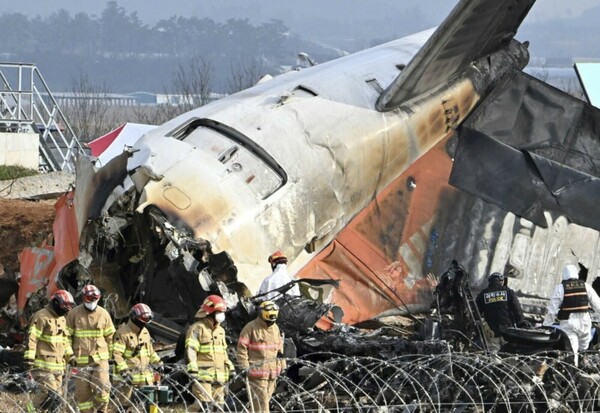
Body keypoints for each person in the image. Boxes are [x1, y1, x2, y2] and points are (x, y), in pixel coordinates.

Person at [66, 284, 115, 413]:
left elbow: (111, 337)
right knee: (83, 393)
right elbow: (66, 338)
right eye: (89, 299)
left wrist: (113, 355)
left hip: (100, 359)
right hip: (79, 361)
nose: (92, 302)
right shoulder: (74, 314)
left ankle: (101, 410)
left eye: (95, 299)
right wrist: (69, 355)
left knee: (103, 387)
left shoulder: (104, 314)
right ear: (83, 298)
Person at [24, 289, 75, 413]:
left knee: (56, 399)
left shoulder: (62, 319)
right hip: (42, 365)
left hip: (58, 366)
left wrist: (71, 356)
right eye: (65, 306)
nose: (67, 310)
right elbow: (32, 337)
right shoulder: (41, 316)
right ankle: (27, 411)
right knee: (48, 393)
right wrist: (29, 358)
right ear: (56, 303)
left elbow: (64, 341)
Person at [543, 263, 600, 366]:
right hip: (584, 321)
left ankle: (573, 370)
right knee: (584, 348)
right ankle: (584, 365)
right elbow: (598, 305)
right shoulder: (586, 286)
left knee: (572, 350)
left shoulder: (561, 288)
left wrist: (546, 325)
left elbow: (552, 309)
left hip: (568, 322)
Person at [185, 294, 234, 411]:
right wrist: (192, 368)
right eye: (219, 312)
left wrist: (230, 367)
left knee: (219, 408)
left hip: (220, 376)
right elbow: (191, 349)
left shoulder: (220, 331)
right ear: (210, 312)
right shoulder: (197, 328)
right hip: (203, 375)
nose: (221, 315)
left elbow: (223, 352)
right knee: (202, 406)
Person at [111, 303, 163, 412]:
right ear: (135, 318)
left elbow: (150, 352)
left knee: (151, 404)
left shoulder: (145, 332)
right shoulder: (122, 333)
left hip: (145, 377)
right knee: (123, 407)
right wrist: (125, 372)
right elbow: (116, 355)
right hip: (127, 379)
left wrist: (158, 363)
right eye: (142, 320)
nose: (144, 324)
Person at [237, 301, 286, 413]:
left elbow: (279, 349)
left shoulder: (275, 328)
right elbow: (241, 349)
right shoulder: (250, 328)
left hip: (272, 374)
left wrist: (282, 366)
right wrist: (244, 367)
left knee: (258, 406)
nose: (271, 322)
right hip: (257, 375)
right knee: (262, 407)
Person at [476, 272, 528, 353]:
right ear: (501, 281)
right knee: (508, 359)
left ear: (490, 282)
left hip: (492, 334)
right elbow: (517, 310)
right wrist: (522, 324)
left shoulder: (482, 294)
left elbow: (476, 314)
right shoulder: (508, 292)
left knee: (494, 360)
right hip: (508, 333)